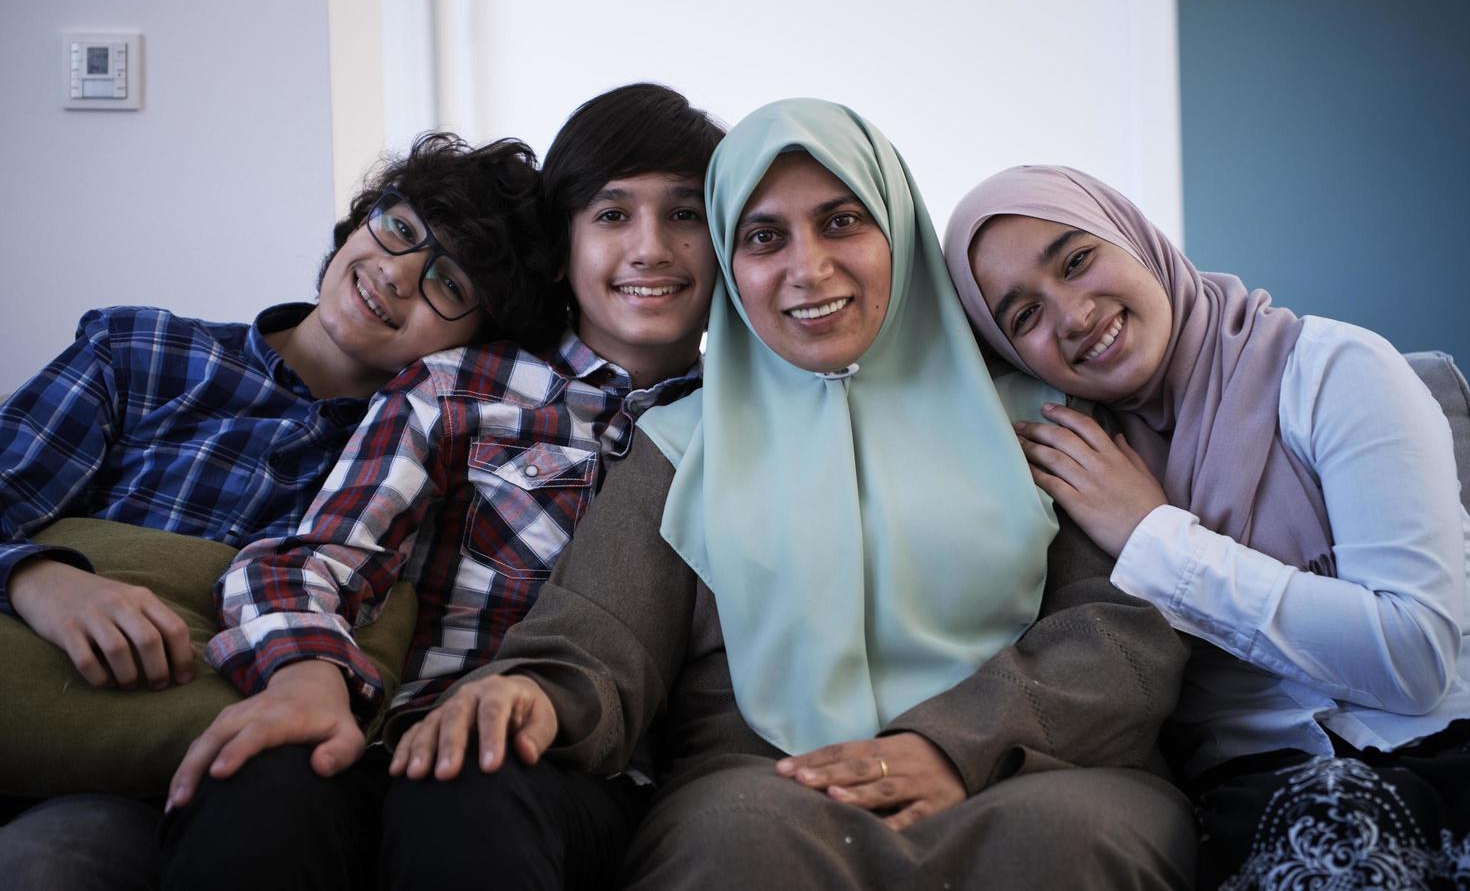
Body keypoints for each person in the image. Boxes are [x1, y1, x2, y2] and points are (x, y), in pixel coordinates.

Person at [390, 100, 1197, 890]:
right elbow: (602, 632)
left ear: (900, 229)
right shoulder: (680, 443)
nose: (808, 268)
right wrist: (533, 690)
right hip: (774, 783)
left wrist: (954, 744)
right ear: (729, 270)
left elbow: (1121, 629)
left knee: (1073, 841)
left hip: (1036, 768)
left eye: (843, 221)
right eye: (763, 237)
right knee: (734, 846)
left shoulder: (1038, 414)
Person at [158, 83, 725, 891]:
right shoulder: (459, 390)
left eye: (685, 216)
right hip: (396, 729)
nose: (650, 249)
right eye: (611, 215)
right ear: (562, 245)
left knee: (469, 787)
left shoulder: (740, 426)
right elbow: (311, 559)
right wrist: (309, 673)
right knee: (259, 775)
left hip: (581, 774)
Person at [0, 132, 552, 888]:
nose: (394, 273)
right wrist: (43, 580)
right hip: (28, 681)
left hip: (168, 785)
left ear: (478, 343)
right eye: (397, 228)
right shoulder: (143, 352)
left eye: (447, 284)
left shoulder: (432, 461)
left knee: (48, 866)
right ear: (361, 221)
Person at [942, 164, 1470, 889]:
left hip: (1442, 748)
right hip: (1263, 796)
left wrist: (1155, 535)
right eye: (1023, 317)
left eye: (1077, 259)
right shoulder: (1072, 458)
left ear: (1133, 237)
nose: (1072, 315)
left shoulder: (1333, 371)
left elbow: (1413, 657)